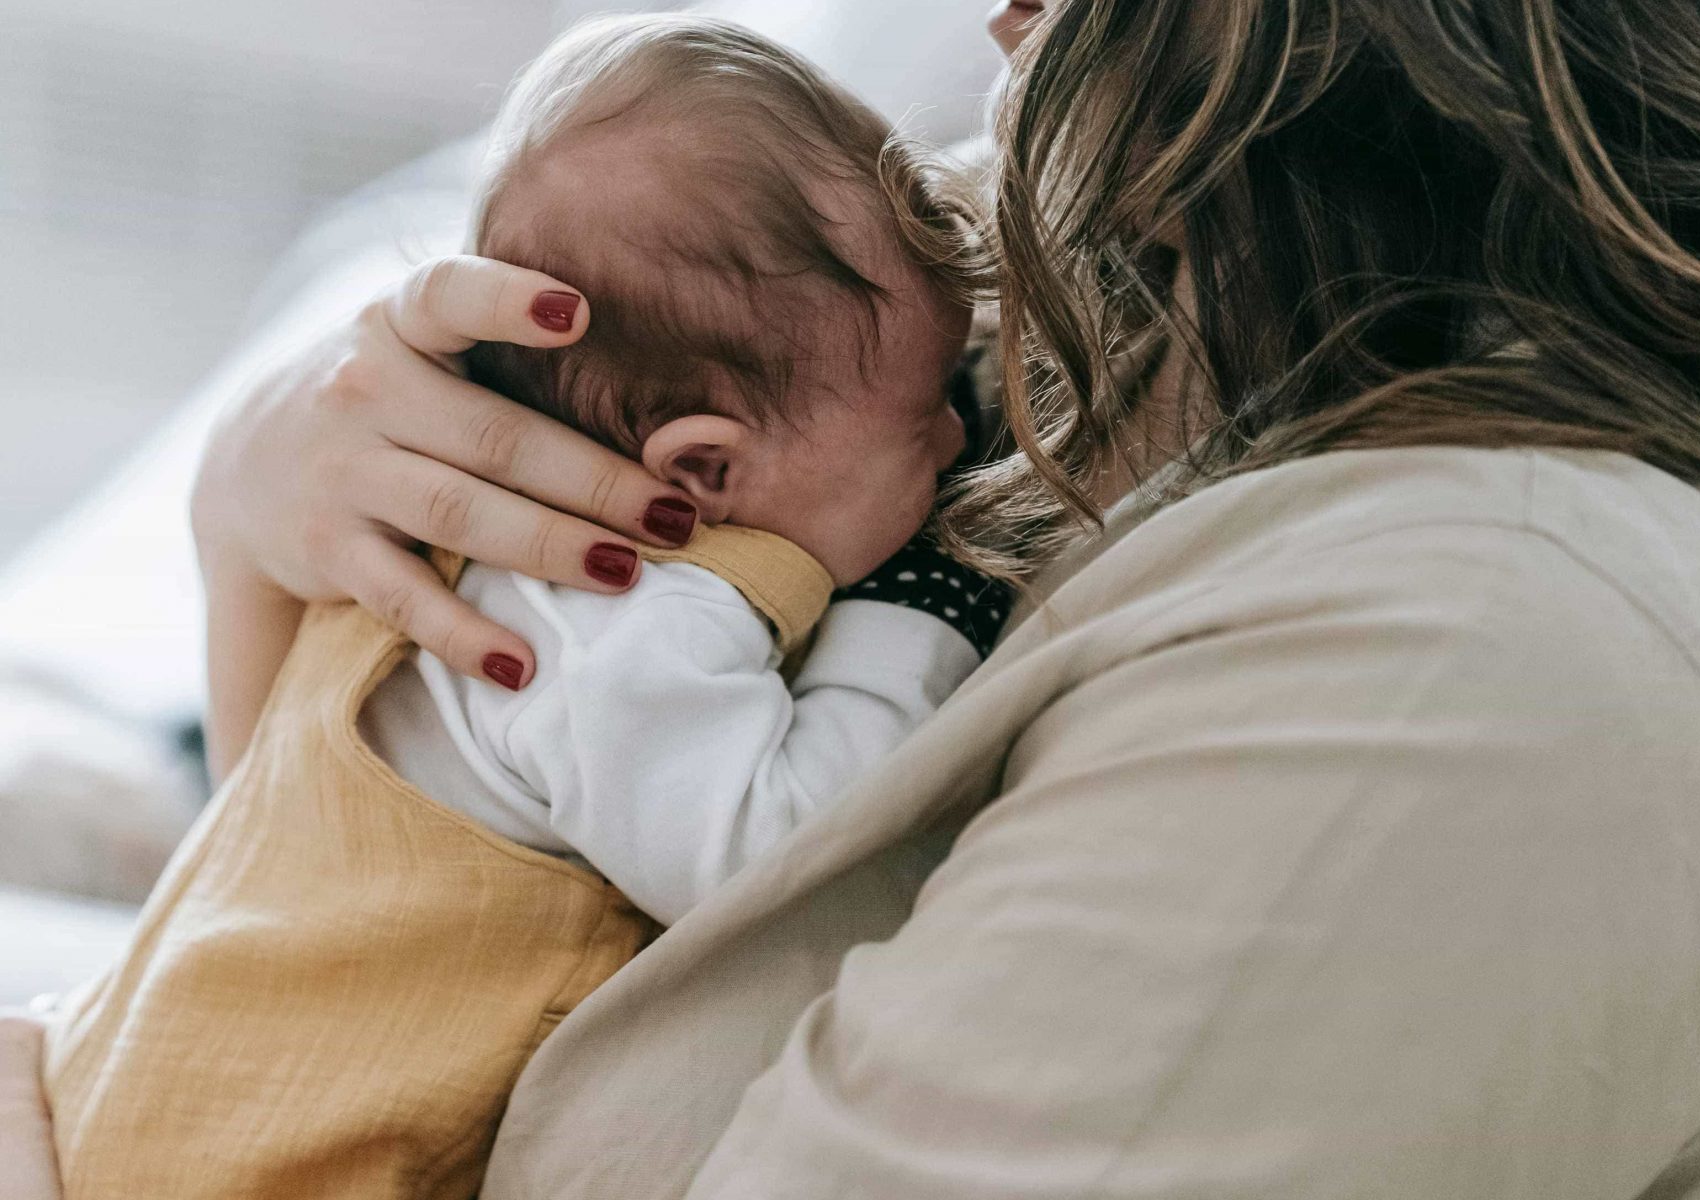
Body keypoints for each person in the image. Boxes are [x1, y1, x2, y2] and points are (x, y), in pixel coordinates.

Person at [10, 0, 1700, 1195]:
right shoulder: (1113, 407)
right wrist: (263, 510)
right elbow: (350, 897)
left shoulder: (1484, 646)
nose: (999, 31)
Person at [37, 15, 1006, 1198]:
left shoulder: (449, 541)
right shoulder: (628, 619)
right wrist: (918, 612)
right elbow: (774, 853)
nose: (961, 436)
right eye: (926, 419)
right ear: (704, 471)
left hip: (153, 1075)